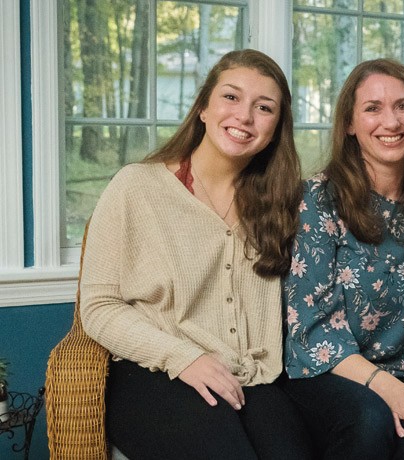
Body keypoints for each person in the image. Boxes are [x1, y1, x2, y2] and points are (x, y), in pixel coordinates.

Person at [79, 49, 314, 460]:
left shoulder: (280, 204)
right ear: (203, 108)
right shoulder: (136, 187)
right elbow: (98, 306)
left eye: (264, 108)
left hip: (254, 380)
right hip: (152, 373)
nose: (244, 116)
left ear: (276, 128)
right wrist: (184, 358)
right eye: (231, 97)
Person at [283, 58, 404, 460]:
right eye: (372, 108)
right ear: (350, 125)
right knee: (369, 420)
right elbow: (312, 328)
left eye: (403, 106)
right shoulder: (318, 201)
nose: (390, 122)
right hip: (327, 370)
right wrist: (388, 389)